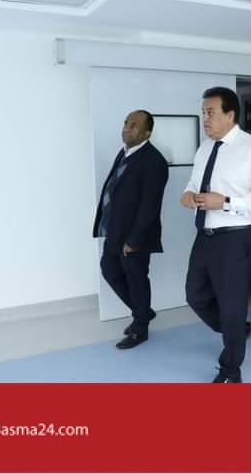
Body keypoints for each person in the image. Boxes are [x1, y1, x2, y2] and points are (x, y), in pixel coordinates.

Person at [182, 87, 251, 383]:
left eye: (211, 113)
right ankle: (235, 329)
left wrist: (225, 202)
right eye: (203, 112)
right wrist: (188, 193)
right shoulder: (205, 148)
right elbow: (194, 181)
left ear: (230, 115)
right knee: (195, 295)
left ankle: (230, 369)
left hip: (237, 238)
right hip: (205, 234)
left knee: (231, 304)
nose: (205, 119)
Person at [92, 110, 169, 349]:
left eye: (134, 125)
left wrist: (134, 239)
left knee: (136, 280)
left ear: (147, 133)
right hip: (115, 230)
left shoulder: (154, 161)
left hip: (134, 236)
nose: (127, 128)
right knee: (109, 270)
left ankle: (140, 329)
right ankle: (143, 312)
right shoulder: (125, 152)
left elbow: (150, 206)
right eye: (126, 122)